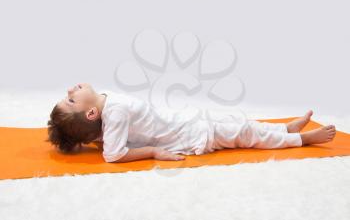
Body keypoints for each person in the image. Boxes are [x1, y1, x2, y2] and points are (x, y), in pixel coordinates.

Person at [46, 83, 336, 163]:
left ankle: (284, 129)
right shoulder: (115, 114)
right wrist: (153, 152)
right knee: (246, 133)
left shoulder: (107, 109)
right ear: (91, 114)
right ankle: (300, 140)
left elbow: (104, 140)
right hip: (194, 135)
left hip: (188, 122)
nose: (71, 91)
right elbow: (113, 154)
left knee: (242, 123)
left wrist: (88, 137)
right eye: (70, 100)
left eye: (68, 95)